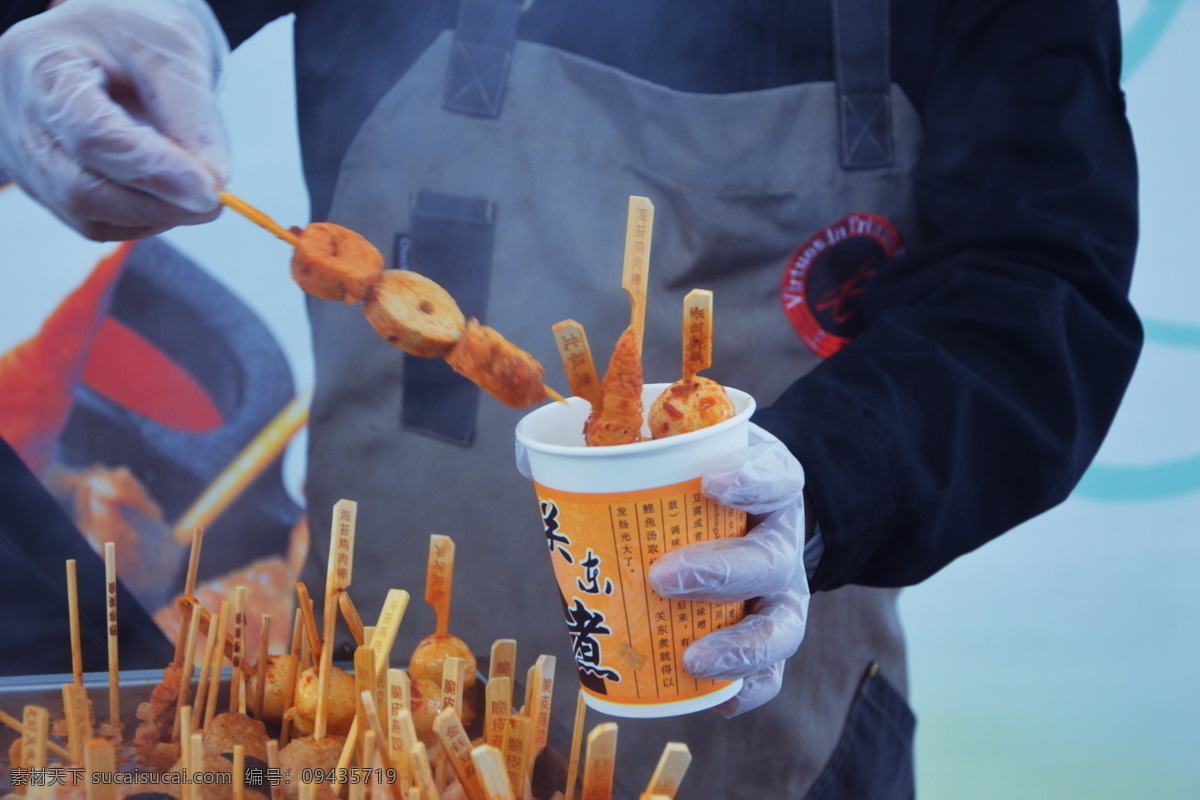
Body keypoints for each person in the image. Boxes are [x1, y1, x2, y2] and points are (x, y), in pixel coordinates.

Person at [0, 0, 1140, 796]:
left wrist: (834, 477)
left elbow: (1039, 281)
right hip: (374, 723)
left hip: (784, 742)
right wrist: (133, 15)